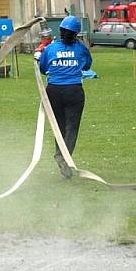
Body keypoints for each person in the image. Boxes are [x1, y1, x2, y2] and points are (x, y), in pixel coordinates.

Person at [36, 16, 93, 179]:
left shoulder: (51, 49)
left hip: (53, 91)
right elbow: (88, 65)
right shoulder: (81, 48)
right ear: (76, 34)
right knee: (71, 128)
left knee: (58, 127)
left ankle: (60, 156)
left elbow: (43, 68)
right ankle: (64, 158)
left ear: (60, 31)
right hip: (74, 91)